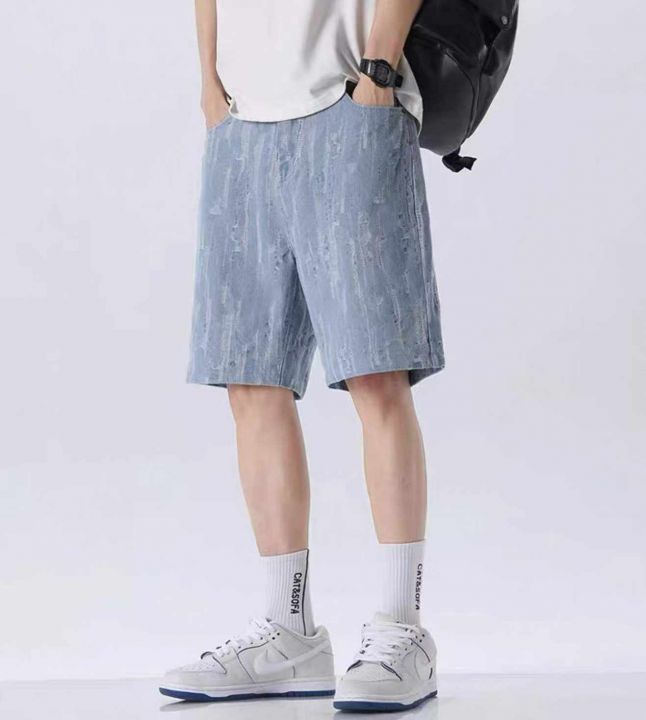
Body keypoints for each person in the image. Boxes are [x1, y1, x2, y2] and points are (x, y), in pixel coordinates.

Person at [160, 0, 444, 712]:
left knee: (376, 369)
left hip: (352, 100)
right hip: (240, 123)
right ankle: (288, 633)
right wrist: (209, 81)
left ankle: (402, 628)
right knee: (251, 380)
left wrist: (379, 70)